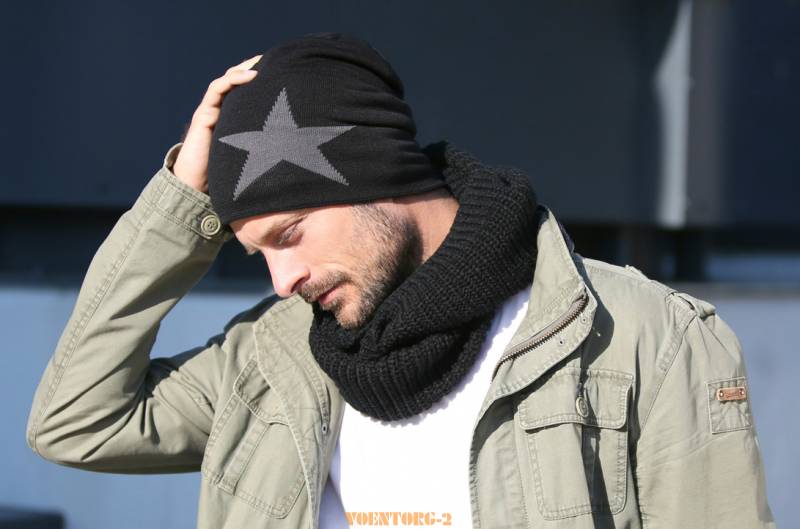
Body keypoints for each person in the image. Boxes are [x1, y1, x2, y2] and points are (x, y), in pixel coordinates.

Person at [26, 32, 775, 529]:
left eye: (289, 234)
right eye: (258, 254)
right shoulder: (269, 359)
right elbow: (75, 421)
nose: (282, 281)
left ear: (376, 177)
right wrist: (179, 203)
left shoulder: (643, 340)